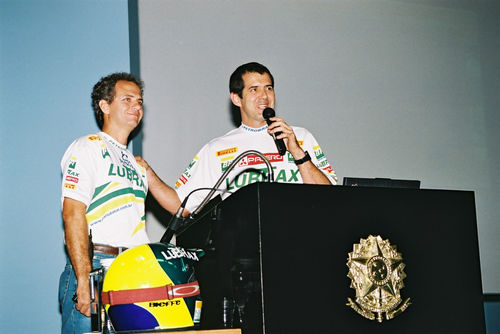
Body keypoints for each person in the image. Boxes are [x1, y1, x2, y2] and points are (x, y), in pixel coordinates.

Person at [59, 72, 180, 334]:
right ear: (105, 106)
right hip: (99, 264)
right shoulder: (87, 147)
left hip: (136, 268)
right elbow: (73, 213)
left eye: (139, 101)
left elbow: (180, 207)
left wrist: (149, 174)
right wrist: (84, 277)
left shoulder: (135, 164)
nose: (136, 107)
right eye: (127, 99)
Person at [175, 62, 337, 213]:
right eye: (254, 89)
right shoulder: (218, 149)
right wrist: (150, 176)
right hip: (247, 240)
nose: (264, 96)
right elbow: (180, 205)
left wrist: (297, 152)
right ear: (236, 98)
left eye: (268, 88)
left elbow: (331, 199)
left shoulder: (300, 137)